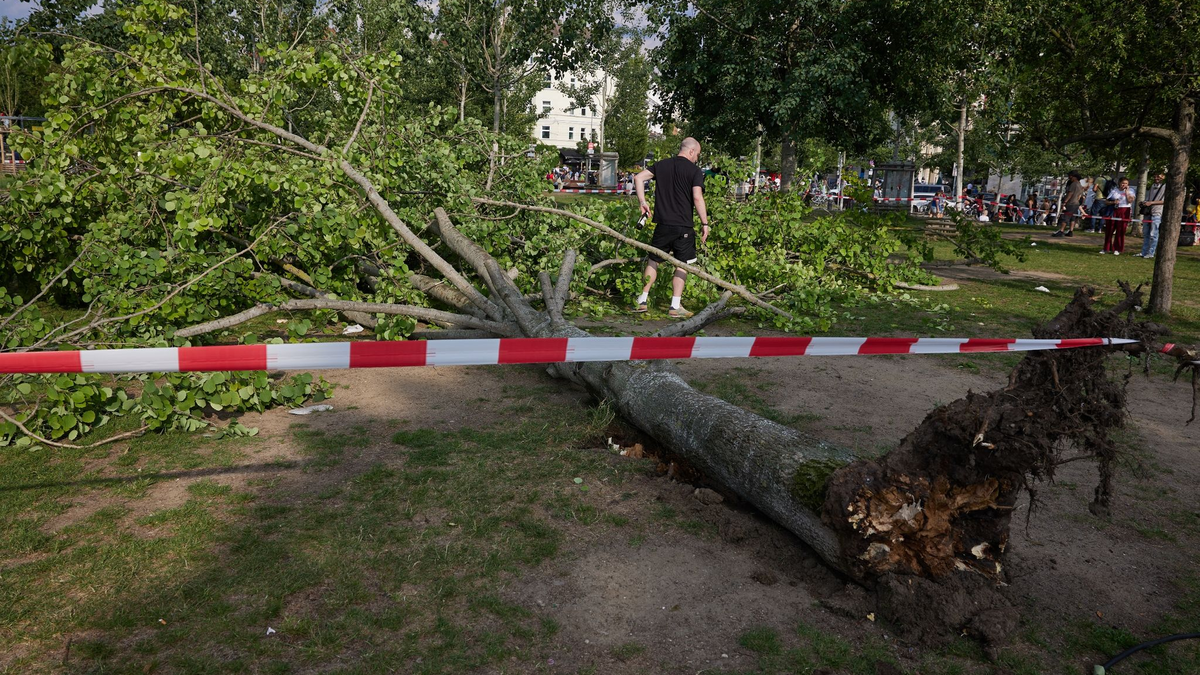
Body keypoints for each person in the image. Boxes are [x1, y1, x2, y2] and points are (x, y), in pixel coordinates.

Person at [632, 137, 710, 318]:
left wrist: (643, 202)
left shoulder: (662, 165)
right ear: (691, 152)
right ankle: (675, 306)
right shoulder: (695, 171)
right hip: (683, 226)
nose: (697, 158)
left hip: (662, 224)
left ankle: (642, 300)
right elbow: (697, 197)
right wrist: (705, 223)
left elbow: (638, 178)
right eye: (697, 154)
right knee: (681, 265)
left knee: (654, 260)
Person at [1137, 172, 1167, 258]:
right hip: (1148, 212)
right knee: (1146, 233)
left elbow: (1165, 201)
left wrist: (1152, 203)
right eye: (1155, 176)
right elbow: (1148, 198)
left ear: (1163, 177)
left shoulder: (1165, 187)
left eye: (1159, 176)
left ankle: (1151, 253)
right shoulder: (1152, 186)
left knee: (1153, 234)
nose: (1156, 178)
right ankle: (1144, 252)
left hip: (1157, 213)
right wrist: (1144, 202)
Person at [1102, 177, 1135, 255]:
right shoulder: (1114, 190)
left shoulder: (1131, 191)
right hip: (1114, 210)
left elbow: (1130, 201)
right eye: (1123, 183)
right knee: (1110, 229)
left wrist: (1127, 192)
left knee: (1121, 230)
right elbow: (1106, 201)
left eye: (1126, 183)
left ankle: (1117, 248)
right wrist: (1113, 202)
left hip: (1124, 210)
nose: (1124, 185)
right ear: (1119, 183)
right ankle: (1106, 248)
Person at [1053, 171, 1086, 237]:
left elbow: (1070, 194)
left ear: (1074, 177)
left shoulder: (1073, 184)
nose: (1069, 177)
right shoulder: (1080, 185)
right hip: (1076, 203)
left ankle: (1061, 231)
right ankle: (1071, 231)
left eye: (1070, 176)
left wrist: (1065, 202)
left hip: (1070, 203)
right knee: (1072, 218)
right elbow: (1080, 196)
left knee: (1066, 217)